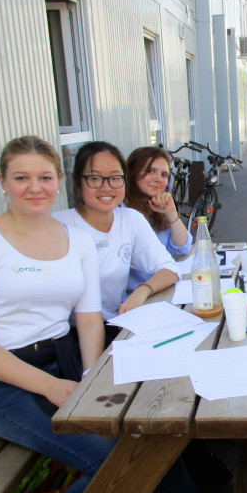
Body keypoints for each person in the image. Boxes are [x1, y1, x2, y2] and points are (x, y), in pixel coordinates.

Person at [0, 136, 217, 493]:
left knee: (144, 426)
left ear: (57, 181)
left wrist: (91, 378)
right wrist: (49, 386)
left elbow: (89, 319)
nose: (34, 187)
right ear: (2, 181)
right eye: (21, 177)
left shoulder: (74, 238)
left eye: (43, 177)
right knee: (114, 455)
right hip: (1, 380)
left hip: (67, 359)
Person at [53, 141, 181, 347]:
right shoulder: (60, 225)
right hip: (66, 337)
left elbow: (170, 267)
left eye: (114, 178)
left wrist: (142, 291)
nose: (106, 187)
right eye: (95, 178)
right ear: (77, 182)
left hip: (115, 326)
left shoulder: (130, 219)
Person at [124, 145, 192, 295]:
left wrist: (171, 213)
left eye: (164, 175)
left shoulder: (156, 205)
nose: (158, 179)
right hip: (134, 296)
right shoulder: (122, 211)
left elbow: (183, 247)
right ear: (133, 172)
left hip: (161, 289)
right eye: (151, 171)